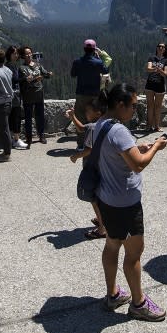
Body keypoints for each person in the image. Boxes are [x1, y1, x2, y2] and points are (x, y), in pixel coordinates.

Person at [92, 83, 167, 321]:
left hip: (106, 198)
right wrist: (156, 146)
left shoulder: (98, 125)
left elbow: (119, 154)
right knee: (134, 253)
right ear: (120, 104)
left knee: (112, 245)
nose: (135, 110)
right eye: (133, 106)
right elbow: (138, 164)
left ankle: (113, 294)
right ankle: (138, 303)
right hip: (125, 202)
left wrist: (137, 148)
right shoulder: (119, 131)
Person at [67, 101, 108, 239]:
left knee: (93, 199)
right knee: (101, 196)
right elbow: (81, 128)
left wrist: (75, 156)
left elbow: (88, 150)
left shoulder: (92, 128)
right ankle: (103, 219)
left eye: (88, 111)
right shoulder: (104, 124)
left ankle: (102, 229)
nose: (86, 114)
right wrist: (73, 116)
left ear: (98, 112)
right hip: (103, 167)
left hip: (92, 169)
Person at [71, 39, 110, 149]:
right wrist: (99, 57)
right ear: (94, 50)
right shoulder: (98, 62)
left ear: (84, 49)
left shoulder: (77, 61)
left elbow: (73, 74)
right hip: (94, 94)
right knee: (95, 119)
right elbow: (106, 71)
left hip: (81, 94)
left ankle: (80, 144)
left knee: (80, 118)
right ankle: (94, 144)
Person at [19, 45, 52, 146]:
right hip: (28, 95)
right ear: (23, 56)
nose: (29, 55)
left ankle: (41, 135)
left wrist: (48, 74)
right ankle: (29, 138)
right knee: (28, 117)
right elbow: (22, 80)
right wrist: (31, 79)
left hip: (39, 93)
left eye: (30, 53)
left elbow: (45, 74)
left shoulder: (38, 65)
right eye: (26, 54)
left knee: (40, 116)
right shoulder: (21, 68)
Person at [145, 42, 167, 132]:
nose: (161, 48)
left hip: (160, 85)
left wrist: (158, 69)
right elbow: (148, 69)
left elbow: (165, 74)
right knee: (150, 106)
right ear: (157, 48)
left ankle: (157, 126)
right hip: (150, 84)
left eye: (163, 47)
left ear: (165, 49)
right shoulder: (151, 58)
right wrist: (155, 69)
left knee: (157, 106)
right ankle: (149, 126)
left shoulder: (166, 61)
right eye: (159, 46)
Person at [5, 46, 28, 149]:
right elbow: (14, 80)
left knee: (13, 117)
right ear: (9, 54)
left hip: (14, 95)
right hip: (14, 95)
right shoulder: (9, 66)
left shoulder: (11, 65)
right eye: (14, 53)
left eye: (17, 53)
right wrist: (25, 78)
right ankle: (16, 139)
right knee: (15, 116)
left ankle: (12, 139)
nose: (16, 55)